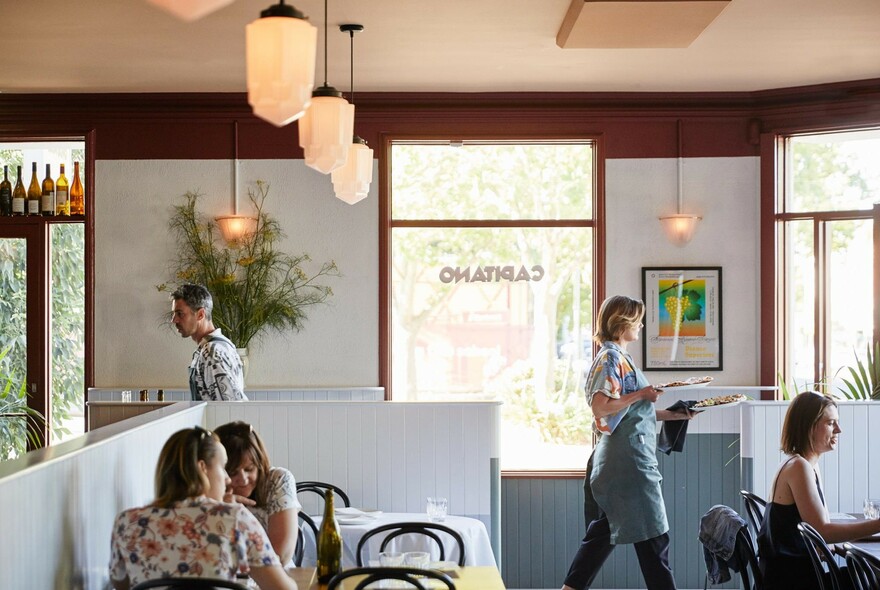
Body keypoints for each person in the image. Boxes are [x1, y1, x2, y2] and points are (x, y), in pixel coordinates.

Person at [562, 295, 694, 590]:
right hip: (629, 464)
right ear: (622, 324)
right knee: (654, 536)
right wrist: (641, 394)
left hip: (624, 461)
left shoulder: (620, 358)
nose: (642, 325)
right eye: (637, 320)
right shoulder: (610, 359)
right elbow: (601, 407)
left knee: (604, 535)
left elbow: (631, 414)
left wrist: (673, 415)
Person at [108, 427, 295, 590]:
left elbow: (122, 584)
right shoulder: (235, 518)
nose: (228, 479)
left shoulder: (126, 522)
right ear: (202, 468)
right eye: (223, 468)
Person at [757, 391, 880, 590]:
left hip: (789, 574)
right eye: (831, 423)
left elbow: (823, 528)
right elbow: (823, 531)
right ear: (809, 427)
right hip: (790, 582)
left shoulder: (805, 464)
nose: (838, 430)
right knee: (872, 577)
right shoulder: (799, 467)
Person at [215, 421, 302, 567]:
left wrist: (241, 516)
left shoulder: (277, 480)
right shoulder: (209, 491)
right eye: (232, 472)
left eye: (249, 469)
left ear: (260, 464)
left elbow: (281, 556)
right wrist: (220, 510)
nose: (243, 479)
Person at [171, 283, 247, 401]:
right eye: (174, 314)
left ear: (200, 314)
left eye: (180, 314)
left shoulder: (212, 352)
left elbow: (230, 406)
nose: (174, 320)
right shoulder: (218, 346)